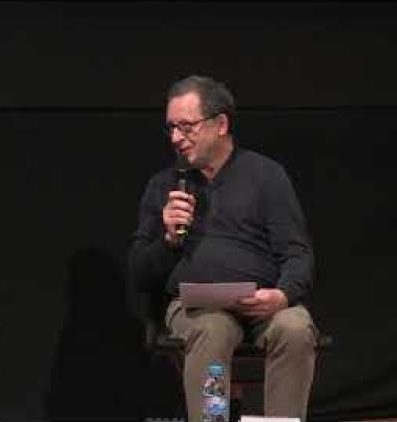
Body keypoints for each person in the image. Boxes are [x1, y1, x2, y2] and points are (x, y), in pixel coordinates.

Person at [128, 75, 317, 421]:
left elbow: (297, 254)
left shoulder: (266, 176)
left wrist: (283, 295)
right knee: (213, 330)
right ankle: (214, 418)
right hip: (197, 310)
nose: (176, 138)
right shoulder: (164, 186)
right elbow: (140, 274)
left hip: (263, 304)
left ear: (221, 125)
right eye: (171, 128)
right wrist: (169, 240)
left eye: (186, 127)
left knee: (295, 327)